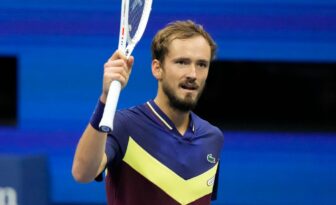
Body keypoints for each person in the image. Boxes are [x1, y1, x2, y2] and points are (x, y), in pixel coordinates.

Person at [72, 20, 224, 205]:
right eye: (182, 62)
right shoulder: (124, 126)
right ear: (157, 68)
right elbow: (83, 172)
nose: (193, 74)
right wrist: (105, 97)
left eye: (201, 64)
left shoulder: (212, 138)